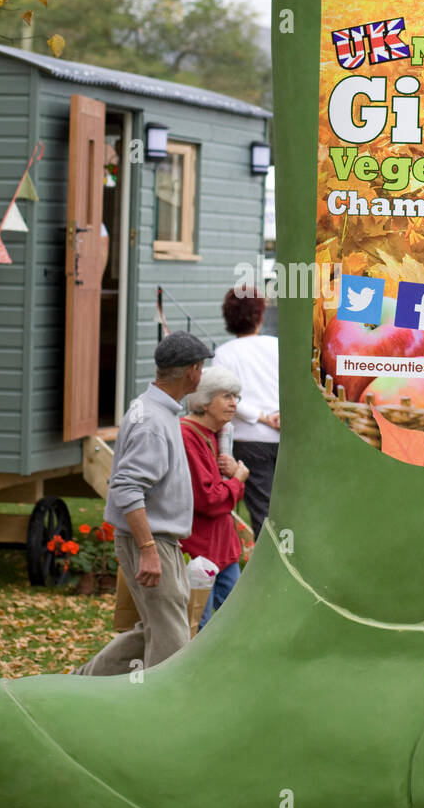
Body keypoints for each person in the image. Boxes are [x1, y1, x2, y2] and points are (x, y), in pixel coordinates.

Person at [75, 331, 212, 677]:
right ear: (192, 371)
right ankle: (161, 714)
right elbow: (125, 486)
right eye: (202, 367)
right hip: (152, 541)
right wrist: (148, 548)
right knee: (172, 641)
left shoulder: (155, 409)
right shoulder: (152, 421)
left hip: (157, 540)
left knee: (153, 629)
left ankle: (81, 684)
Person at [180, 366, 250, 630]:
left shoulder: (217, 435)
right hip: (199, 552)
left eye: (236, 397)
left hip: (223, 549)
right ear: (205, 401)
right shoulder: (188, 436)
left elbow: (226, 497)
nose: (234, 403)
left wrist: (233, 476)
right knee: (200, 626)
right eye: (227, 396)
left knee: (238, 621)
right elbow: (209, 500)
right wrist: (238, 479)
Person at [212, 287, 279, 536]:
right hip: (286, 437)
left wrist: (262, 418)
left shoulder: (224, 354)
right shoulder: (277, 347)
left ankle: (271, 566)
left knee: (262, 511)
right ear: (260, 316)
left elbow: (225, 397)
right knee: (289, 508)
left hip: (249, 441)